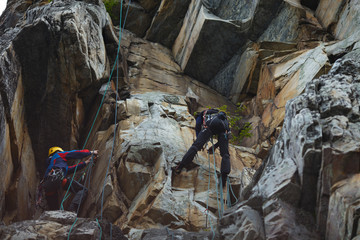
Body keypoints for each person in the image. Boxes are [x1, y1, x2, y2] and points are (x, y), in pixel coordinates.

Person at [172, 108, 231, 186]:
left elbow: (198, 126)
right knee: (225, 154)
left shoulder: (204, 113)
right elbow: (226, 136)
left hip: (210, 127)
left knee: (195, 147)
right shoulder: (225, 121)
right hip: (223, 131)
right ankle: (223, 179)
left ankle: (180, 166)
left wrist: (199, 139)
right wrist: (215, 146)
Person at [41, 146, 98, 212]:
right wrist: (90, 152)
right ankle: (72, 209)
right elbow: (74, 153)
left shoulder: (52, 165)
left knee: (54, 210)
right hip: (57, 178)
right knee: (83, 190)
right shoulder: (58, 154)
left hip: (47, 186)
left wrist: (86, 162)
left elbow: (71, 169)